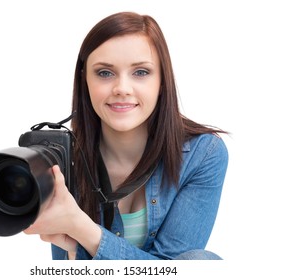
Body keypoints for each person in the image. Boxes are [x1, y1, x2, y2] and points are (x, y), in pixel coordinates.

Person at [24, 11, 229, 260]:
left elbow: (176, 270)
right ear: (84, 81)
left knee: (203, 263)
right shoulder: (63, 158)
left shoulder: (203, 154)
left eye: (141, 72)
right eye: (104, 73)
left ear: (162, 81)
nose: (122, 88)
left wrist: (82, 229)